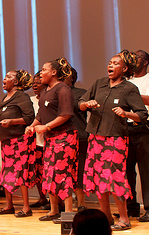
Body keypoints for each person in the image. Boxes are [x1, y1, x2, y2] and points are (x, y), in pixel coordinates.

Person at [79, 50, 148, 231]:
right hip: (95, 137)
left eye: (115, 63)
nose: (110, 65)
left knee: (115, 179)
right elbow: (80, 103)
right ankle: (107, 217)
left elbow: (143, 115)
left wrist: (126, 113)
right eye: (110, 62)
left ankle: (124, 218)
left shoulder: (129, 89)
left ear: (125, 69)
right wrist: (88, 104)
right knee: (99, 179)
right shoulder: (99, 83)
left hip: (115, 139)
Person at [25, 58, 77, 222]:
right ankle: (54, 210)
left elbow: (66, 114)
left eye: (44, 69)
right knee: (50, 174)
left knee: (63, 173)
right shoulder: (46, 90)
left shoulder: (63, 89)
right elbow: (40, 114)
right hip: (51, 139)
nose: (40, 73)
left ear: (54, 72)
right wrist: (32, 125)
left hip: (65, 137)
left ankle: (68, 212)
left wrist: (47, 127)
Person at [0, 69, 35, 218]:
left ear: (16, 81)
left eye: (8, 77)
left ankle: (26, 208)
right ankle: (9, 205)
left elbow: (29, 117)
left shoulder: (22, 97)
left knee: (21, 173)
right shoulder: (6, 98)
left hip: (19, 141)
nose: (4, 79)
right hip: (6, 142)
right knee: (7, 174)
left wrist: (12, 121)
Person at [125, 50, 149, 221]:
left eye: (137, 58)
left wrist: (130, 95)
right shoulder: (127, 80)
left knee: (145, 170)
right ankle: (131, 207)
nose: (134, 60)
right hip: (127, 127)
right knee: (127, 171)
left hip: (144, 128)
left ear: (145, 62)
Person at [63, 67, 89, 211]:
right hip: (60, 137)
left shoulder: (81, 94)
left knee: (79, 169)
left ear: (72, 78)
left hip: (79, 135)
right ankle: (62, 205)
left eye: (65, 75)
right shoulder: (56, 93)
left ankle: (81, 203)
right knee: (63, 170)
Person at [28, 72, 50, 210]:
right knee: (37, 171)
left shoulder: (50, 97)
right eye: (33, 83)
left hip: (48, 140)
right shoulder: (30, 100)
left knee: (49, 171)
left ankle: (56, 202)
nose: (35, 85)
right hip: (34, 141)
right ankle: (42, 198)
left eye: (38, 82)